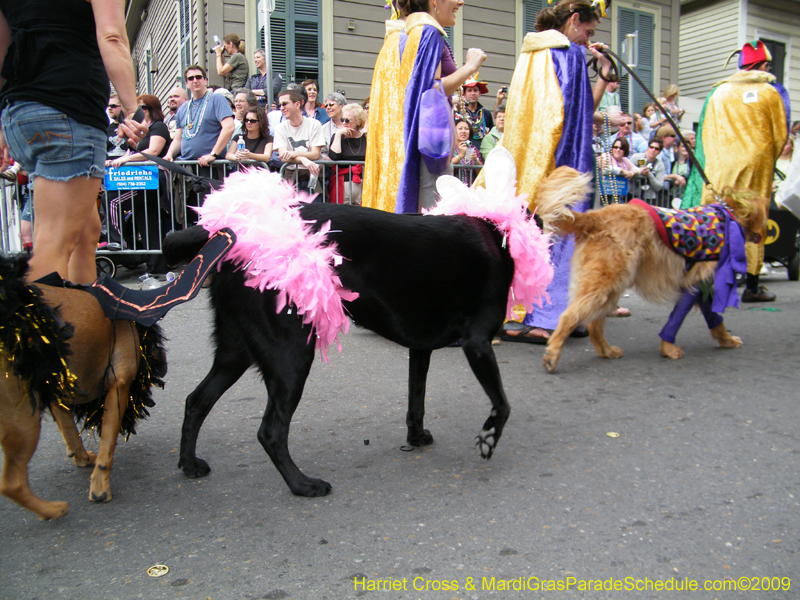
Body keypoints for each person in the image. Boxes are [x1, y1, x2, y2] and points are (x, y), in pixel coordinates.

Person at [492, 0, 615, 343]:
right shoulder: (569, 54)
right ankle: (547, 317)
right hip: (561, 163)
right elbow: (577, 117)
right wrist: (605, 72)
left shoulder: (530, 53)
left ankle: (517, 313)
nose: (588, 38)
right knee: (562, 233)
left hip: (526, 162)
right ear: (574, 20)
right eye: (588, 30)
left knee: (528, 234)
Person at [0, 0, 141, 285]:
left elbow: (3, 49)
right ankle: (36, 316)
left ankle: (83, 310)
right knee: (54, 242)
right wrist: (132, 109)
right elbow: (112, 36)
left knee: (86, 232)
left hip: (20, 112)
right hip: (69, 106)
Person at [683, 39, 789, 302]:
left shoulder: (717, 93)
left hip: (720, 166)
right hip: (755, 165)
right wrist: (767, 160)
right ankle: (752, 285)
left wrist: (714, 163)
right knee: (753, 219)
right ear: (762, 65)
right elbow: (780, 136)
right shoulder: (770, 92)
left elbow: (705, 135)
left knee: (717, 217)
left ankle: (704, 280)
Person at [362, 0, 487, 214]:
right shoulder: (428, 31)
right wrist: (470, 67)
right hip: (429, 148)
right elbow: (431, 89)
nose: (460, 2)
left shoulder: (399, 35)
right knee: (432, 215)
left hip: (410, 145)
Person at [106, 94, 172, 273]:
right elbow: (131, 152)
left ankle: (119, 242)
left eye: (143, 108)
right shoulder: (146, 131)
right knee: (149, 222)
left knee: (112, 200)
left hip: (152, 179)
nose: (140, 111)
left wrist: (125, 160)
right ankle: (157, 267)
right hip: (144, 180)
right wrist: (116, 160)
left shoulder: (158, 126)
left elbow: (154, 151)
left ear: (151, 109)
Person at [165, 65, 235, 225]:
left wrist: (213, 154)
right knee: (190, 217)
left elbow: (229, 127)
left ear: (205, 80)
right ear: (187, 84)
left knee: (211, 216)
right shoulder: (184, 108)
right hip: (187, 170)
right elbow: (178, 138)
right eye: (191, 78)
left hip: (209, 167)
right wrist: (169, 154)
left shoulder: (216, 99)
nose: (195, 80)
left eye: (198, 77)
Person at [273, 88, 326, 194]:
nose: (282, 108)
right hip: (291, 176)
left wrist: (294, 154)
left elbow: (315, 154)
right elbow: (283, 156)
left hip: (313, 175)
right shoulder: (280, 128)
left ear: (297, 104)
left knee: (316, 205)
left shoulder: (314, 124)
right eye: (280, 105)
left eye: (285, 104)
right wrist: (302, 159)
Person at [328, 103, 367, 204]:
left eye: (347, 120)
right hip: (342, 183)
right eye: (342, 119)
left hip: (363, 182)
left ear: (358, 121)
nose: (344, 123)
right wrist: (338, 134)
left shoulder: (366, 137)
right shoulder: (338, 136)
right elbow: (334, 156)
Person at [460, 76, 493, 144]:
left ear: (479, 93)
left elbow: (492, 135)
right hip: (465, 149)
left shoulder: (486, 114)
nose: (473, 93)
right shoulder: (459, 114)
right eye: (469, 90)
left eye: (475, 90)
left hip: (484, 149)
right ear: (464, 94)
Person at [452, 117, 482, 184]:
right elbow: (446, 166)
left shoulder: (473, 149)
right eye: (460, 128)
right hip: (453, 186)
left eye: (466, 129)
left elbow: (481, 173)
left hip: (470, 187)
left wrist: (476, 160)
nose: (463, 131)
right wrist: (461, 155)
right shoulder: (450, 148)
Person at [321, 92, 347, 159]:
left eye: (331, 104)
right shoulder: (323, 128)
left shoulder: (352, 124)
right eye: (326, 106)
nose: (328, 108)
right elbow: (322, 153)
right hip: (331, 164)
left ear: (342, 106)